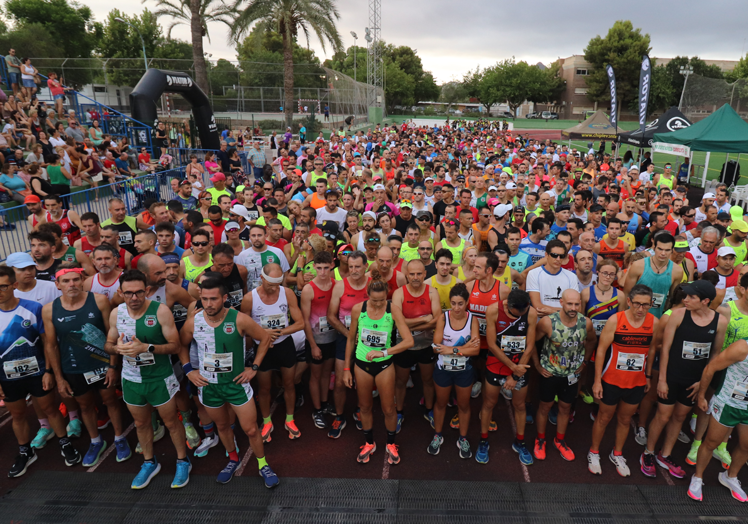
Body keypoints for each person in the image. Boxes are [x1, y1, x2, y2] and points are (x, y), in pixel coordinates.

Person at [178, 276, 279, 488]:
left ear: (224, 298)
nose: (208, 304)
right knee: (222, 426)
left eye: (213, 299)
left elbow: (265, 338)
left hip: (236, 385)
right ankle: (233, 459)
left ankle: (263, 464)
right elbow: (181, 346)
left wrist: (254, 368)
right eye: (204, 299)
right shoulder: (193, 322)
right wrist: (188, 371)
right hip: (208, 387)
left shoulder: (239, 319)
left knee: (251, 429)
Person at [104, 270, 188, 490]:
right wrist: (117, 349)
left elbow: (175, 346)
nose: (134, 298)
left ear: (147, 291)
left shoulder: (161, 311)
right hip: (131, 379)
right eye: (128, 293)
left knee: (171, 422)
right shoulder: (116, 314)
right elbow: (108, 344)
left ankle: (182, 460)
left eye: (139, 292)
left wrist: (146, 347)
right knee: (141, 423)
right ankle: (149, 462)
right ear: (120, 293)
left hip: (160, 377)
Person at [43, 265, 130, 467]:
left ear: (82, 280)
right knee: (85, 405)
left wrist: (113, 366)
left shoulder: (98, 300)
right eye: (65, 281)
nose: (71, 284)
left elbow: (112, 334)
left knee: (110, 401)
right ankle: (95, 441)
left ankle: (119, 437)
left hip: (101, 364)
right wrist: (59, 377)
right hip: (73, 368)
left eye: (75, 279)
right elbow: (51, 345)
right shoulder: (49, 309)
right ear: (57, 285)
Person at [640, 279, 727, 480]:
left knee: (679, 417)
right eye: (685, 295)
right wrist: (661, 379)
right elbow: (666, 349)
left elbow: (714, 355)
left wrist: (703, 383)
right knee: (662, 415)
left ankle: (666, 454)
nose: (685, 299)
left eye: (691, 297)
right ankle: (649, 452)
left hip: (694, 381)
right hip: (672, 376)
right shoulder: (678, 315)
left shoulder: (720, 321)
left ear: (705, 301)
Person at [343, 271, 413, 465]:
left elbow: (408, 341)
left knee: (389, 408)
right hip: (361, 364)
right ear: (368, 295)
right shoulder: (359, 309)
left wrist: (384, 352)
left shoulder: (393, 310)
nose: (378, 304)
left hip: (384, 365)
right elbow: (350, 339)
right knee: (364, 407)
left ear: (387, 296)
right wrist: (346, 369)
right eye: (374, 301)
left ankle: (391, 443)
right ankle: (369, 442)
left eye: (382, 300)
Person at [588, 285, 657, 477]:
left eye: (645, 305)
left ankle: (617, 453)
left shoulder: (654, 322)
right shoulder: (615, 320)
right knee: (603, 418)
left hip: (636, 382)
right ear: (629, 302)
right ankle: (594, 452)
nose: (641, 309)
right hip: (612, 380)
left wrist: (648, 376)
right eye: (637, 304)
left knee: (625, 419)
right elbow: (601, 350)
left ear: (651, 304)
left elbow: (651, 350)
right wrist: (597, 381)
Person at [241, 264, 304, 442]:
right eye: (271, 284)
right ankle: (267, 421)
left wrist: (279, 332)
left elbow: (300, 323)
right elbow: (243, 328)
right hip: (263, 349)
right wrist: (262, 335)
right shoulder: (249, 298)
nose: (275, 288)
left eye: (278, 283)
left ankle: (290, 419)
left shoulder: (287, 293)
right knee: (265, 388)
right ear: (262, 278)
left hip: (284, 345)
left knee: (289, 384)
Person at [532, 289, 596, 462]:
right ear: (561, 302)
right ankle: (540, 439)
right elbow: (531, 342)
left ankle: (560, 440)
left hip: (571, 375)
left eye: (577, 304)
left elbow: (591, 341)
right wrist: (537, 365)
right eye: (570, 303)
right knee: (545, 407)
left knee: (565, 408)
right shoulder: (547, 323)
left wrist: (584, 362)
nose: (573, 307)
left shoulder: (586, 323)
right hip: (550, 373)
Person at [478, 289, 537, 465]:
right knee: (489, 403)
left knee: (519, 405)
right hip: (497, 362)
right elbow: (491, 345)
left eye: (525, 309)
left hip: (520, 363)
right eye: (520, 312)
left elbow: (529, 345)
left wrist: (515, 375)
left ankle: (520, 442)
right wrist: (512, 368)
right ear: (509, 306)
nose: (523, 313)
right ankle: (483, 440)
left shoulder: (531, 313)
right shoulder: (493, 310)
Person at [689, 338, 748, 502]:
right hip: (727, 404)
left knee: (746, 445)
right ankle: (698, 477)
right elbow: (711, 368)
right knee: (711, 442)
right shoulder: (742, 347)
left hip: (747, 407)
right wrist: (701, 396)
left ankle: (730, 477)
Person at [428, 283, 481, 457]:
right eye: (453, 303)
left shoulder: (472, 319)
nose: (456, 308)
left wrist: (452, 349)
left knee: (464, 405)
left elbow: (476, 350)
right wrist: (464, 348)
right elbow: (436, 347)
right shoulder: (443, 318)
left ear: (466, 303)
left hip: (464, 370)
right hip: (443, 368)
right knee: (441, 403)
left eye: (460, 303)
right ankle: (437, 435)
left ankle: (463, 438)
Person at [391, 259, 442, 432]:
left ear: (425, 274)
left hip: (426, 346)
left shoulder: (432, 292)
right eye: (412, 274)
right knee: (401, 381)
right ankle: (399, 412)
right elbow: (397, 323)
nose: (415, 277)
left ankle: (429, 410)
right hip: (404, 346)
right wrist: (423, 320)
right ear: (406, 275)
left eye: (419, 273)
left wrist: (408, 323)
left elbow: (437, 320)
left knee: (427, 380)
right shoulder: (399, 293)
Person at [326, 251, 370, 438]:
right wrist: (349, 335)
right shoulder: (339, 286)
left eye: (357, 266)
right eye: (350, 266)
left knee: (363, 381)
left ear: (365, 266)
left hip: (368, 338)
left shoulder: (372, 285)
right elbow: (331, 316)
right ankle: (339, 415)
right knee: (340, 382)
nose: (353, 270)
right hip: (345, 336)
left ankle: (360, 410)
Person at [300, 251, 338, 429]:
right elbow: (305, 320)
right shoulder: (308, 289)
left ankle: (324, 403)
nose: (323, 272)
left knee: (326, 373)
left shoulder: (336, 285)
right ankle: (316, 410)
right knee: (315, 376)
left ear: (332, 266)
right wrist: (313, 345)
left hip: (332, 338)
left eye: (326, 268)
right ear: (314, 267)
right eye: (319, 268)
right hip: (315, 339)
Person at [624, 233, 683, 318]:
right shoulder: (638, 265)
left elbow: (672, 299)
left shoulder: (677, 271)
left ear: (672, 250)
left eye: (667, 250)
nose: (663, 253)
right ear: (654, 248)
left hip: (657, 319)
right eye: (660, 249)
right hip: (633, 317)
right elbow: (626, 293)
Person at [526, 240, 580, 316]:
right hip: (542, 322)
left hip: (564, 323)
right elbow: (537, 306)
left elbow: (575, 308)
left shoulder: (571, 276)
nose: (558, 259)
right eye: (554, 255)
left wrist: (550, 311)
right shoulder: (534, 274)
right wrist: (563, 311)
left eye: (561, 256)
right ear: (546, 255)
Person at [236, 225, 290, 292]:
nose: (256, 238)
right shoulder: (243, 255)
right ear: (249, 237)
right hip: (252, 297)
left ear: (265, 236)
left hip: (275, 295)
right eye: (253, 235)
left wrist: (284, 294)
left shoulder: (277, 252)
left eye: (259, 235)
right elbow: (240, 279)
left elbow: (285, 276)